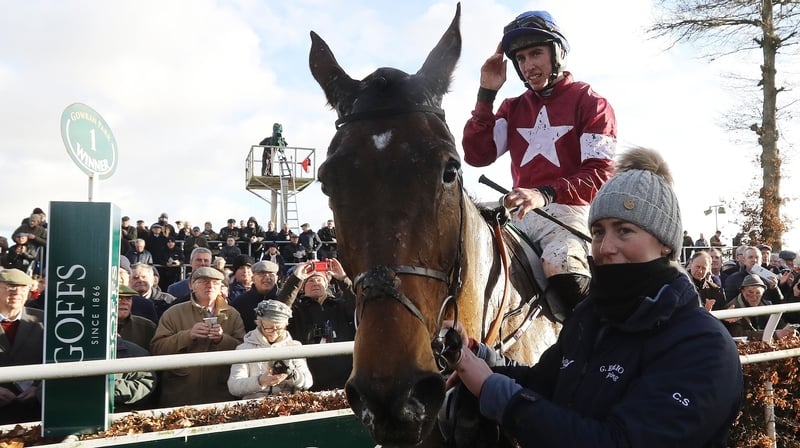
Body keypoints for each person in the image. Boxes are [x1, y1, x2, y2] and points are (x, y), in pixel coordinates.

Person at [446, 148, 742, 447]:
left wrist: (495, 393)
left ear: (665, 244)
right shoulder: (590, 317)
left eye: (624, 231)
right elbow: (542, 383)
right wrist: (476, 357)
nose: (605, 247)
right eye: (598, 231)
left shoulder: (702, 344)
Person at [461, 10, 616, 322]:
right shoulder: (513, 106)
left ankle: (596, 341)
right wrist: (486, 93)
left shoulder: (591, 102)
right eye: (520, 58)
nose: (528, 65)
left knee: (559, 262)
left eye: (536, 53)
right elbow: (477, 155)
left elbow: (600, 174)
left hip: (570, 212)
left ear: (557, 53)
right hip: (519, 211)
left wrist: (543, 194)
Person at [150, 267, 245, 408]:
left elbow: (243, 350)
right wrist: (187, 336)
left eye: (215, 282)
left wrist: (221, 339)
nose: (210, 286)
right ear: (192, 286)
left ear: (221, 287)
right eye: (203, 282)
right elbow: (157, 348)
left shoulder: (232, 314)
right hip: (180, 396)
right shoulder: (174, 313)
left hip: (220, 396)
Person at [284, 259, 356, 392]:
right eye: (310, 281)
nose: (315, 283)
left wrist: (343, 279)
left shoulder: (341, 305)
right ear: (302, 288)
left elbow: (361, 305)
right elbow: (279, 308)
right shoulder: (296, 310)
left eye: (319, 280)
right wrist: (296, 279)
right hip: (310, 380)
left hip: (345, 377)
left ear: (327, 284)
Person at [227, 299, 312, 398]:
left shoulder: (294, 346)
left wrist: (293, 374)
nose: (274, 332)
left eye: (279, 328)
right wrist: (260, 381)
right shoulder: (244, 349)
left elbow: (308, 382)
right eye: (269, 328)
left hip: (288, 400)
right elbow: (234, 387)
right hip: (255, 403)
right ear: (260, 324)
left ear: (286, 326)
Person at [0, 269, 44, 424]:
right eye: (11, 287)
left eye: (23, 287)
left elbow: (57, 360)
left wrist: (39, 389)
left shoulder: (44, 320)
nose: (17, 292)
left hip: (34, 414)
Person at [722, 274, 798, 341]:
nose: (754, 296)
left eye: (758, 293)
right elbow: (739, 335)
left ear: (763, 293)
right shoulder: (732, 308)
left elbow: (779, 323)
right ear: (742, 291)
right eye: (750, 292)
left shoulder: (765, 304)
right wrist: (775, 335)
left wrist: (788, 330)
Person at [231, 260, 285, 332]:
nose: (267, 278)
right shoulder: (241, 302)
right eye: (262, 274)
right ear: (253, 278)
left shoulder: (285, 298)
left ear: (277, 278)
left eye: (271, 274)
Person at [117, 284, 157, 350]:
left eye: (128, 299)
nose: (125, 302)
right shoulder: (96, 324)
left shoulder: (146, 327)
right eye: (119, 298)